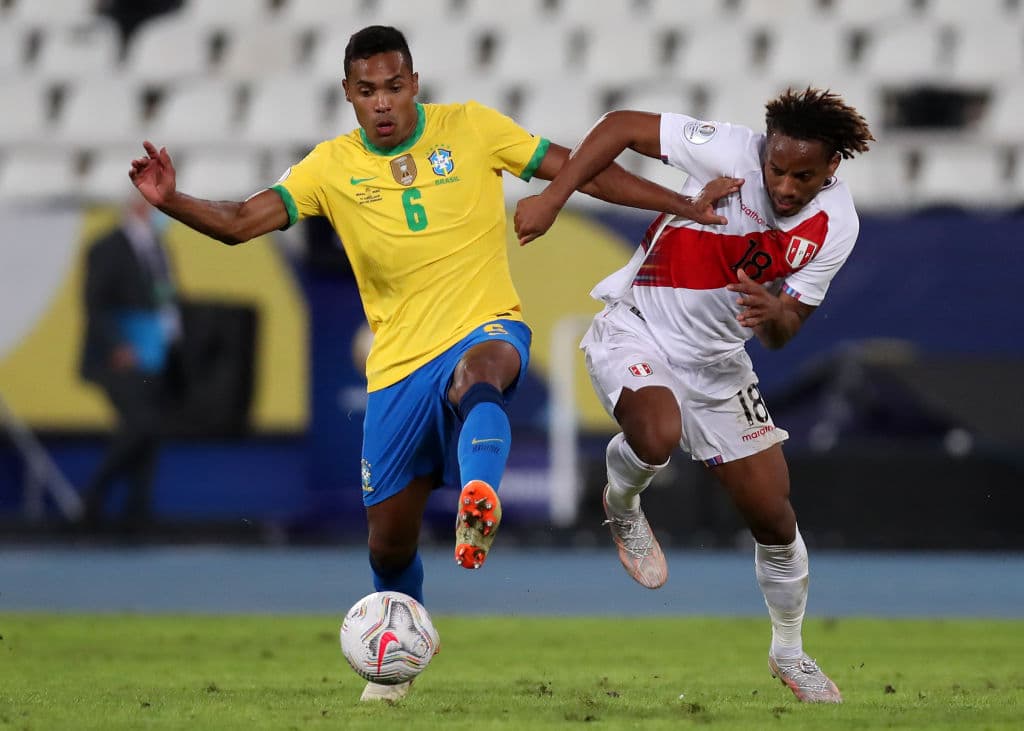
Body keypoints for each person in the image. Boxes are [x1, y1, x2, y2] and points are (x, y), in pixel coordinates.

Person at [126, 24, 739, 702]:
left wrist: (683, 203)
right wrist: (173, 201)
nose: (383, 102)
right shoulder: (328, 166)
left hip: (485, 325)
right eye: (368, 91)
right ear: (348, 95)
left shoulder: (473, 127)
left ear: (414, 84)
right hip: (395, 367)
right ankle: (400, 654)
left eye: (394, 87)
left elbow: (580, 166)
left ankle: (480, 496)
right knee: (387, 545)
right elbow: (243, 221)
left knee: (484, 371)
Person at [515, 88, 874, 704]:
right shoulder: (729, 150)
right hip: (639, 325)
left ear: (833, 167)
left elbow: (789, 331)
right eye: (777, 169)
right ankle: (621, 502)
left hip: (719, 365)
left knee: (775, 518)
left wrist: (773, 314)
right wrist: (554, 197)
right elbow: (622, 124)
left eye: (803, 176)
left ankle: (789, 650)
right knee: (655, 434)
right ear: (764, 153)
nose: (785, 186)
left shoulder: (837, 226)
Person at [79, 190, 183, 532]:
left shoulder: (159, 247)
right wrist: (118, 345)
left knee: (149, 432)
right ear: (139, 205)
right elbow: (95, 304)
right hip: (122, 357)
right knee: (141, 425)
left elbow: (164, 299)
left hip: (156, 354)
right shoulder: (106, 247)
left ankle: (137, 513)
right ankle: (93, 499)